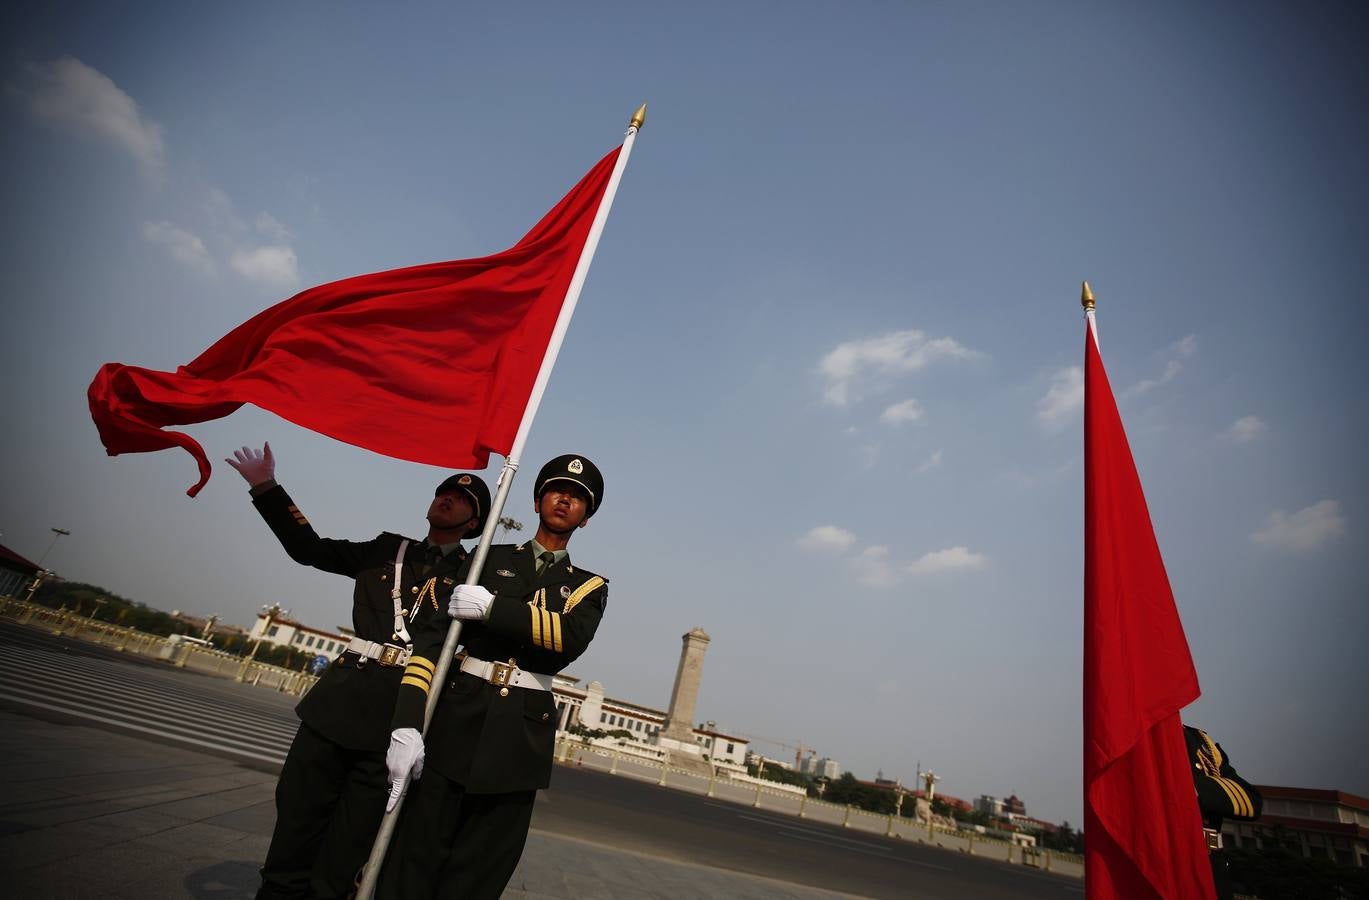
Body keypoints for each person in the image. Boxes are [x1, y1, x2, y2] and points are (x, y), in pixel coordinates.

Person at [225, 442, 490, 900]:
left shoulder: (474, 576)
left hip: (393, 723)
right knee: (292, 839)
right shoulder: (388, 549)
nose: (447, 498)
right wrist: (266, 487)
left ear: (473, 523)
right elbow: (310, 549)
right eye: (444, 491)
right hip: (337, 709)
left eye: (463, 500)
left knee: (343, 860)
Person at [379, 454, 610, 899]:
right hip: (454, 719)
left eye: (579, 497)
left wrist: (492, 608)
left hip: (518, 743)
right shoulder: (487, 557)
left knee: (477, 876)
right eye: (557, 489)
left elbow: (567, 639)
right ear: (538, 499)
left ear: (585, 519)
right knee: (411, 862)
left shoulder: (588, 586)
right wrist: (407, 721)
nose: (565, 499)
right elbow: (432, 641)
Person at [1184, 724, 1263, 900]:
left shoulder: (1200, 742)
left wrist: (1191, 787)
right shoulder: (1134, 740)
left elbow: (1252, 802)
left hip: (1211, 868)